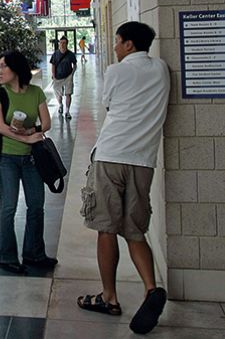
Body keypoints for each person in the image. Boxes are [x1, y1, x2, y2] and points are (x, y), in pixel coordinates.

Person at [77, 22, 170, 335]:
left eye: (117, 42)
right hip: (143, 160)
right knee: (134, 230)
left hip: (111, 156)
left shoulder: (116, 71)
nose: (114, 47)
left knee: (105, 228)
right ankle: (150, 290)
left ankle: (109, 297)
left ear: (129, 45)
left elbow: (109, 105)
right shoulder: (161, 70)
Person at [0, 50, 55, 274]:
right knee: (8, 207)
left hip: (32, 159)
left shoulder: (36, 92)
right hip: (6, 158)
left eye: (3, 66)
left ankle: (34, 253)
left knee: (36, 206)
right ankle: (6, 257)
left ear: (16, 69)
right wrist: (24, 138)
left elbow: (46, 123)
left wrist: (30, 130)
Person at [50, 36, 77, 120]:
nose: (62, 44)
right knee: (58, 94)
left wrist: (72, 74)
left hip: (68, 76)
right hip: (58, 77)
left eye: (64, 43)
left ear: (67, 44)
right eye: (61, 43)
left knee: (68, 93)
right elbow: (53, 65)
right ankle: (60, 105)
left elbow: (75, 65)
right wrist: (54, 76)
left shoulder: (70, 54)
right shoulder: (55, 54)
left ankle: (67, 111)